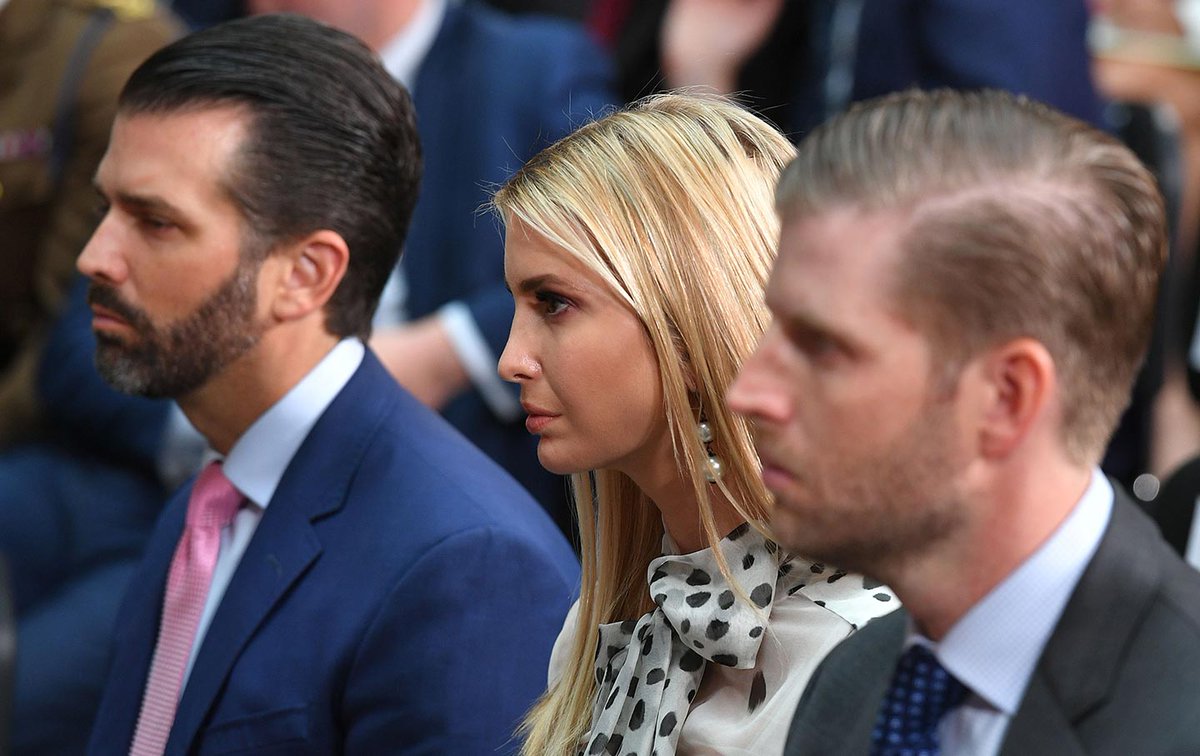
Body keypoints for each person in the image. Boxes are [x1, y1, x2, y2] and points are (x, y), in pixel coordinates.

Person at [82, 14, 579, 755]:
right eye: (106, 209)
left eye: (155, 222)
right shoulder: (211, 500)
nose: (96, 256)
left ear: (306, 275)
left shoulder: (468, 568)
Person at [727, 88, 1200, 755]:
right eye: (772, 328)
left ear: (1006, 398)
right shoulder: (853, 680)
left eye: (823, 348)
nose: (748, 393)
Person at [495, 93, 897, 756]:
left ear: (687, 330)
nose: (511, 359)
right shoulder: (606, 626)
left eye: (554, 303)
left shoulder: (859, 660)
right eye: (518, 303)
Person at [247, 0, 614, 534]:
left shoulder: (529, 67)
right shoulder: (238, 87)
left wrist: (443, 354)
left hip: (474, 470)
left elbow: (617, 247)